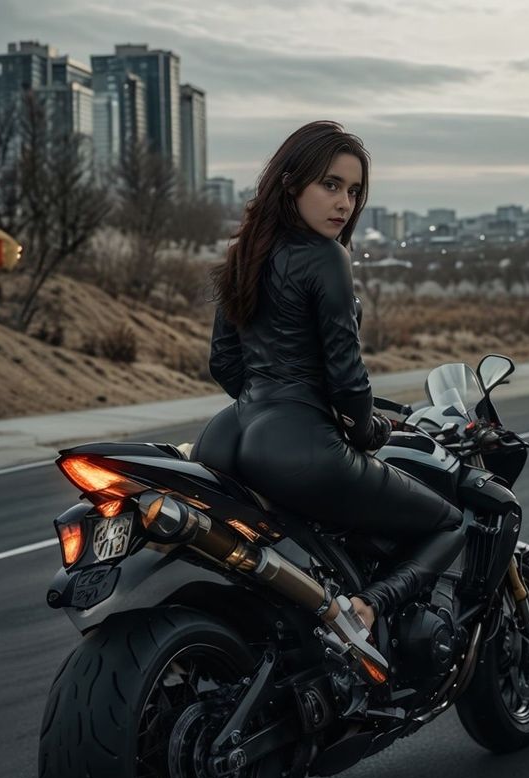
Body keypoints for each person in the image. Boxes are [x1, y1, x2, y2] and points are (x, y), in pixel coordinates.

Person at [193, 121, 465, 666]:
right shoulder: (326, 257)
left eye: (355, 190)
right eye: (331, 185)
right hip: (298, 449)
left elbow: (223, 360)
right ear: (291, 184)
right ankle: (366, 607)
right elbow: (347, 376)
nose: (345, 202)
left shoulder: (245, 252)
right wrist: (364, 430)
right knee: (451, 520)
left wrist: (270, 399)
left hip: (226, 438)